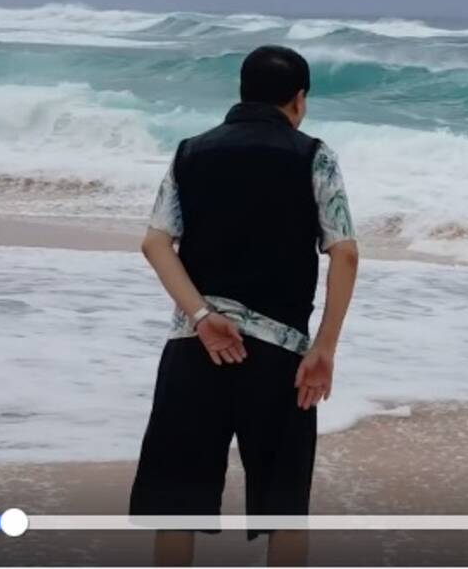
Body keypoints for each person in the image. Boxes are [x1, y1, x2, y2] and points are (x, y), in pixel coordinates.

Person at [129, 45, 360, 566]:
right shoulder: (312, 154)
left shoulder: (191, 151)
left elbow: (155, 243)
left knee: (176, 509)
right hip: (281, 360)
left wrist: (204, 317)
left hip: (196, 351)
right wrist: (324, 348)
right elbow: (344, 253)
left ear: (241, 91)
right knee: (282, 513)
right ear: (298, 100)